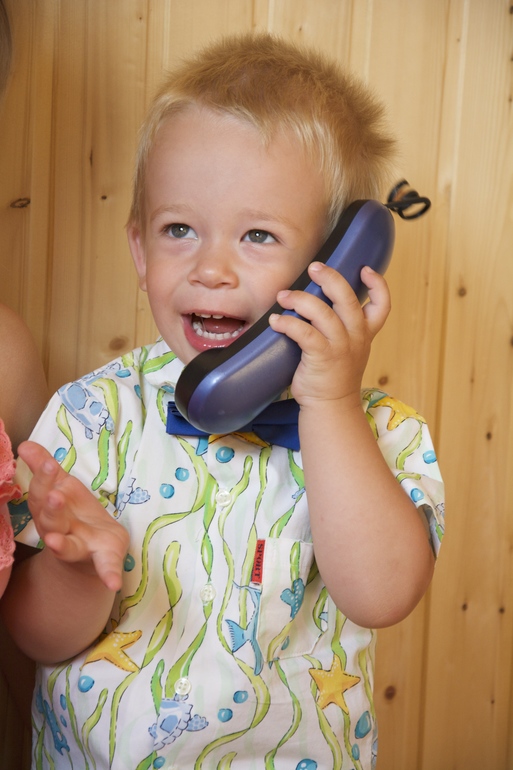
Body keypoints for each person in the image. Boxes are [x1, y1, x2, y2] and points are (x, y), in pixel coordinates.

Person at [2, 33, 444, 770]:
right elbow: (35, 639)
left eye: (257, 235)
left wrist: (330, 404)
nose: (210, 268)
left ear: (336, 266)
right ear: (140, 250)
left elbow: (382, 595)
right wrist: (79, 570)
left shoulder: (382, 432)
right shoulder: (91, 416)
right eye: (179, 229)